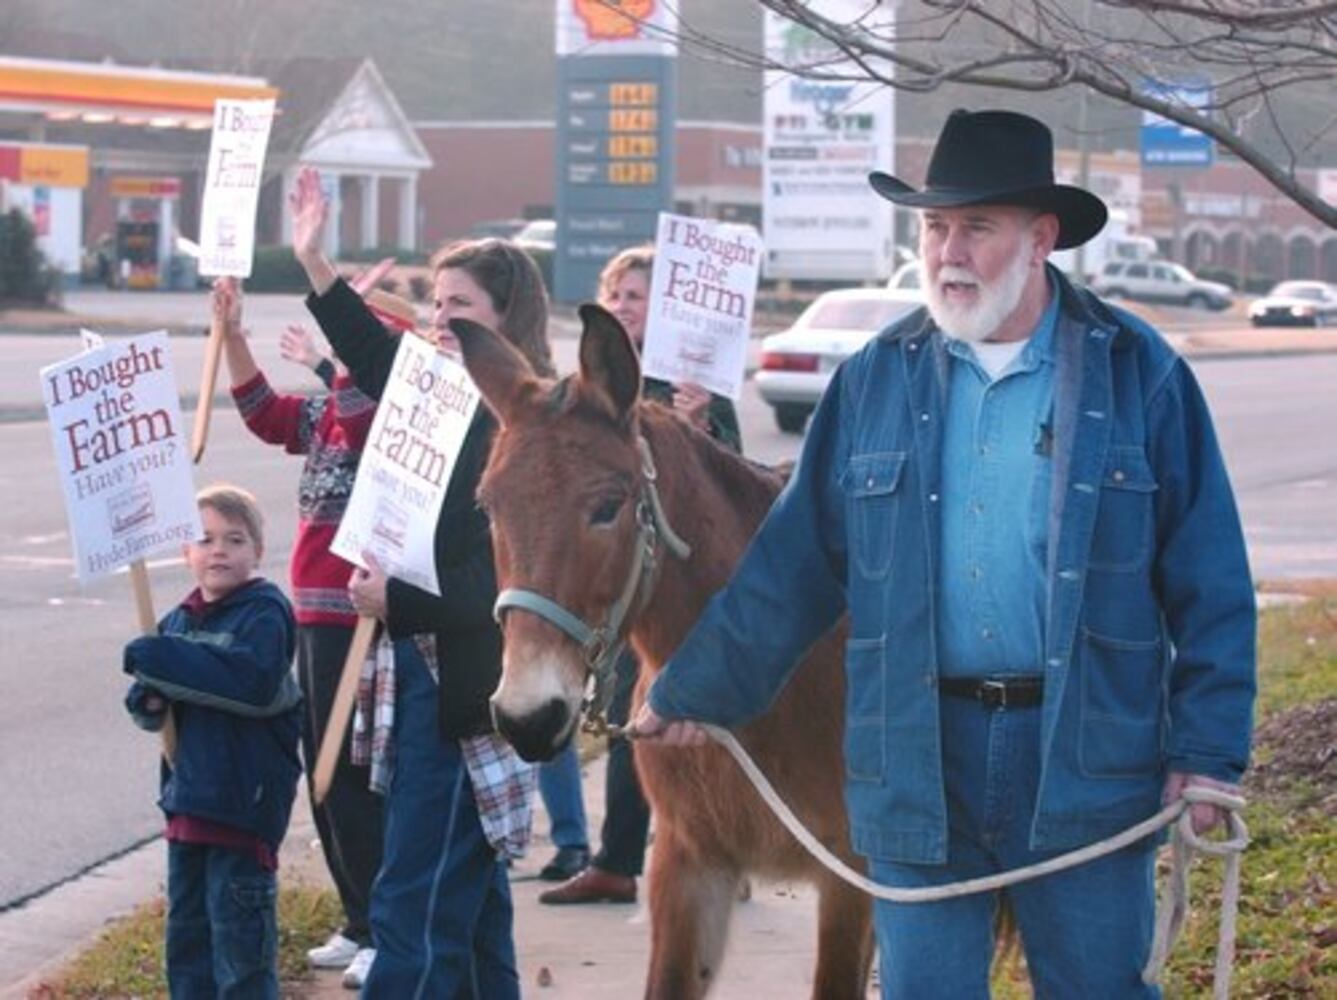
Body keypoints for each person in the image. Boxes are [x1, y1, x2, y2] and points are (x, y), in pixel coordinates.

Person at [632, 109, 1257, 997]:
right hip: (915, 756)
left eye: (976, 227)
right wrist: (693, 688)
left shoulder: (1137, 373)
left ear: (1040, 237)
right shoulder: (876, 379)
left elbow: (1208, 577)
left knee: (1095, 987)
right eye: (933, 227)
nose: (947, 251)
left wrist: (1206, 753)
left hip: (1084, 752)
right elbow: (793, 565)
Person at [290, 164, 545, 997]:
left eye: (460, 308)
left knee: (415, 901)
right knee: (468, 914)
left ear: (507, 319)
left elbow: (497, 583)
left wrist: (393, 600)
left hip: (466, 694)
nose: (439, 322)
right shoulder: (434, 392)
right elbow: (369, 350)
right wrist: (313, 259)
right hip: (421, 679)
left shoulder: (522, 426)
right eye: (435, 305)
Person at [214, 272, 409, 988]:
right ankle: (359, 918)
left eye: (362, 330)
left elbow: (363, 398)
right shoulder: (329, 408)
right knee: (323, 778)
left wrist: (346, 343)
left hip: (359, 613)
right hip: (313, 609)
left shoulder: (380, 408)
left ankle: (384, 925)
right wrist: (233, 336)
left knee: (350, 775)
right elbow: (265, 413)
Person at [539, 244, 741, 906]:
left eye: (637, 295)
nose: (624, 306)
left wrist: (697, 427)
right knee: (634, 724)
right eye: (617, 294)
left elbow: (735, 485)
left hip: (690, 595)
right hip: (624, 591)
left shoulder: (698, 388)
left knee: (711, 724)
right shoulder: (589, 391)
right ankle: (617, 860)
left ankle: (722, 851)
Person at [122, 484, 302, 998]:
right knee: (189, 951)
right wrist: (149, 699)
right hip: (188, 811)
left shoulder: (265, 613)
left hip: (242, 815)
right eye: (203, 539)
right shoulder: (176, 623)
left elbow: (251, 683)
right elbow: (147, 702)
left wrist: (159, 659)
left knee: (241, 960)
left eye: (234, 539)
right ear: (185, 553)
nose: (218, 549)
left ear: (257, 552)